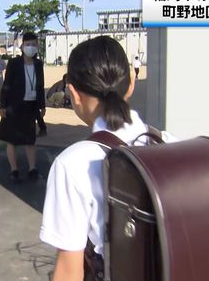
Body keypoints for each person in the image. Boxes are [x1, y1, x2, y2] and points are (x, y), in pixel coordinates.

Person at [39, 36, 174, 280]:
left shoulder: (72, 164)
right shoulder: (170, 143)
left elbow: (69, 272)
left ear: (74, 94)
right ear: (131, 83)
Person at [0, 32, 45, 183]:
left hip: (30, 107)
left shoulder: (38, 64)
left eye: (33, 44)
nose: (31, 47)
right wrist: (3, 105)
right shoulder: (14, 63)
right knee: (12, 140)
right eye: (28, 44)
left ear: (37, 46)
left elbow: (40, 85)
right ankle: (14, 170)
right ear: (22, 46)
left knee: (30, 140)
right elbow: (7, 85)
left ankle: (32, 169)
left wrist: (42, 105)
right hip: (13, 106)